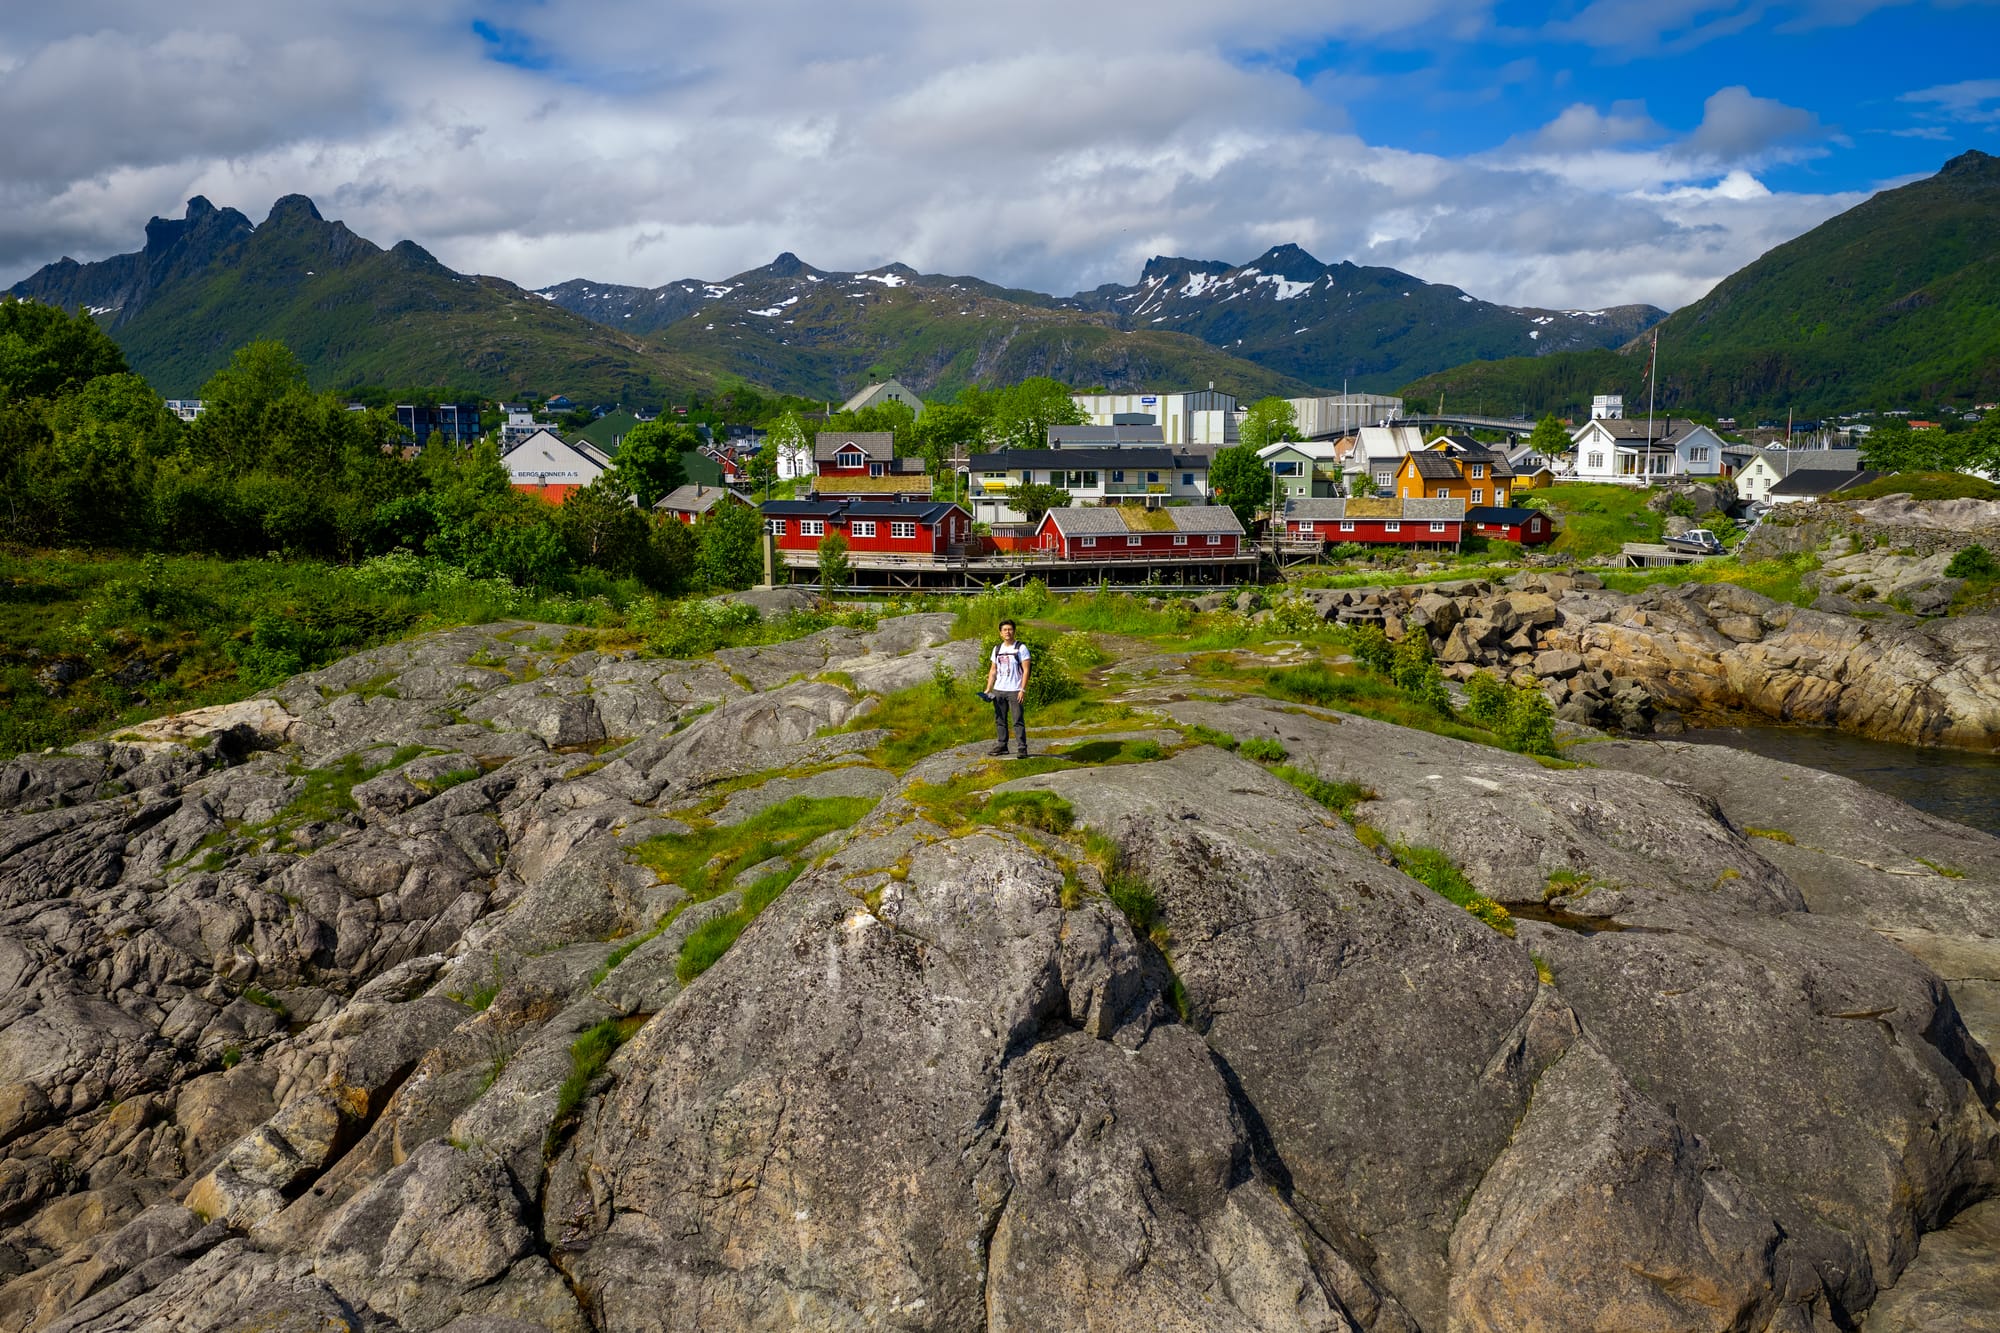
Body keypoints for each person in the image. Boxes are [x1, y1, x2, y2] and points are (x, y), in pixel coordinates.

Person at [985, 619, 1031, 757]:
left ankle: (1022, 748)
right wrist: (988, 689)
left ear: (1014, 631)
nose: (1007, 632)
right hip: (999, 690)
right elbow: (993, 670)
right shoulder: (997, 649)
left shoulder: (1021, 648)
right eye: (1004, 630)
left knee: (1017, 720)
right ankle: (1002, 745)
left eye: (1010, 629)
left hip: (1014, 690)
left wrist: (1022, 689)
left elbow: (1026, 670)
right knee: (1000, 719)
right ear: (1000, 633)